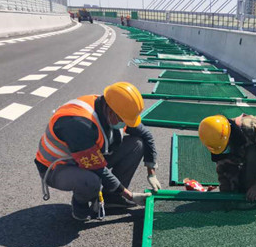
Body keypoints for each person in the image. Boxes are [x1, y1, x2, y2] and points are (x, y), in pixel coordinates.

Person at [35, 82, 162, 221]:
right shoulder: (79, 124)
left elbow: (146, 135)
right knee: (91, 181)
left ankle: (112, 199)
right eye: (122, 120)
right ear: (110, 110)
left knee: (137, 144)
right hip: (57, 168)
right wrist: (130, 196)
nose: (125, 124)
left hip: (88, 158)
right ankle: (80, 208)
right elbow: (97, 168)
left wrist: (151, 171)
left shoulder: (115, 108)